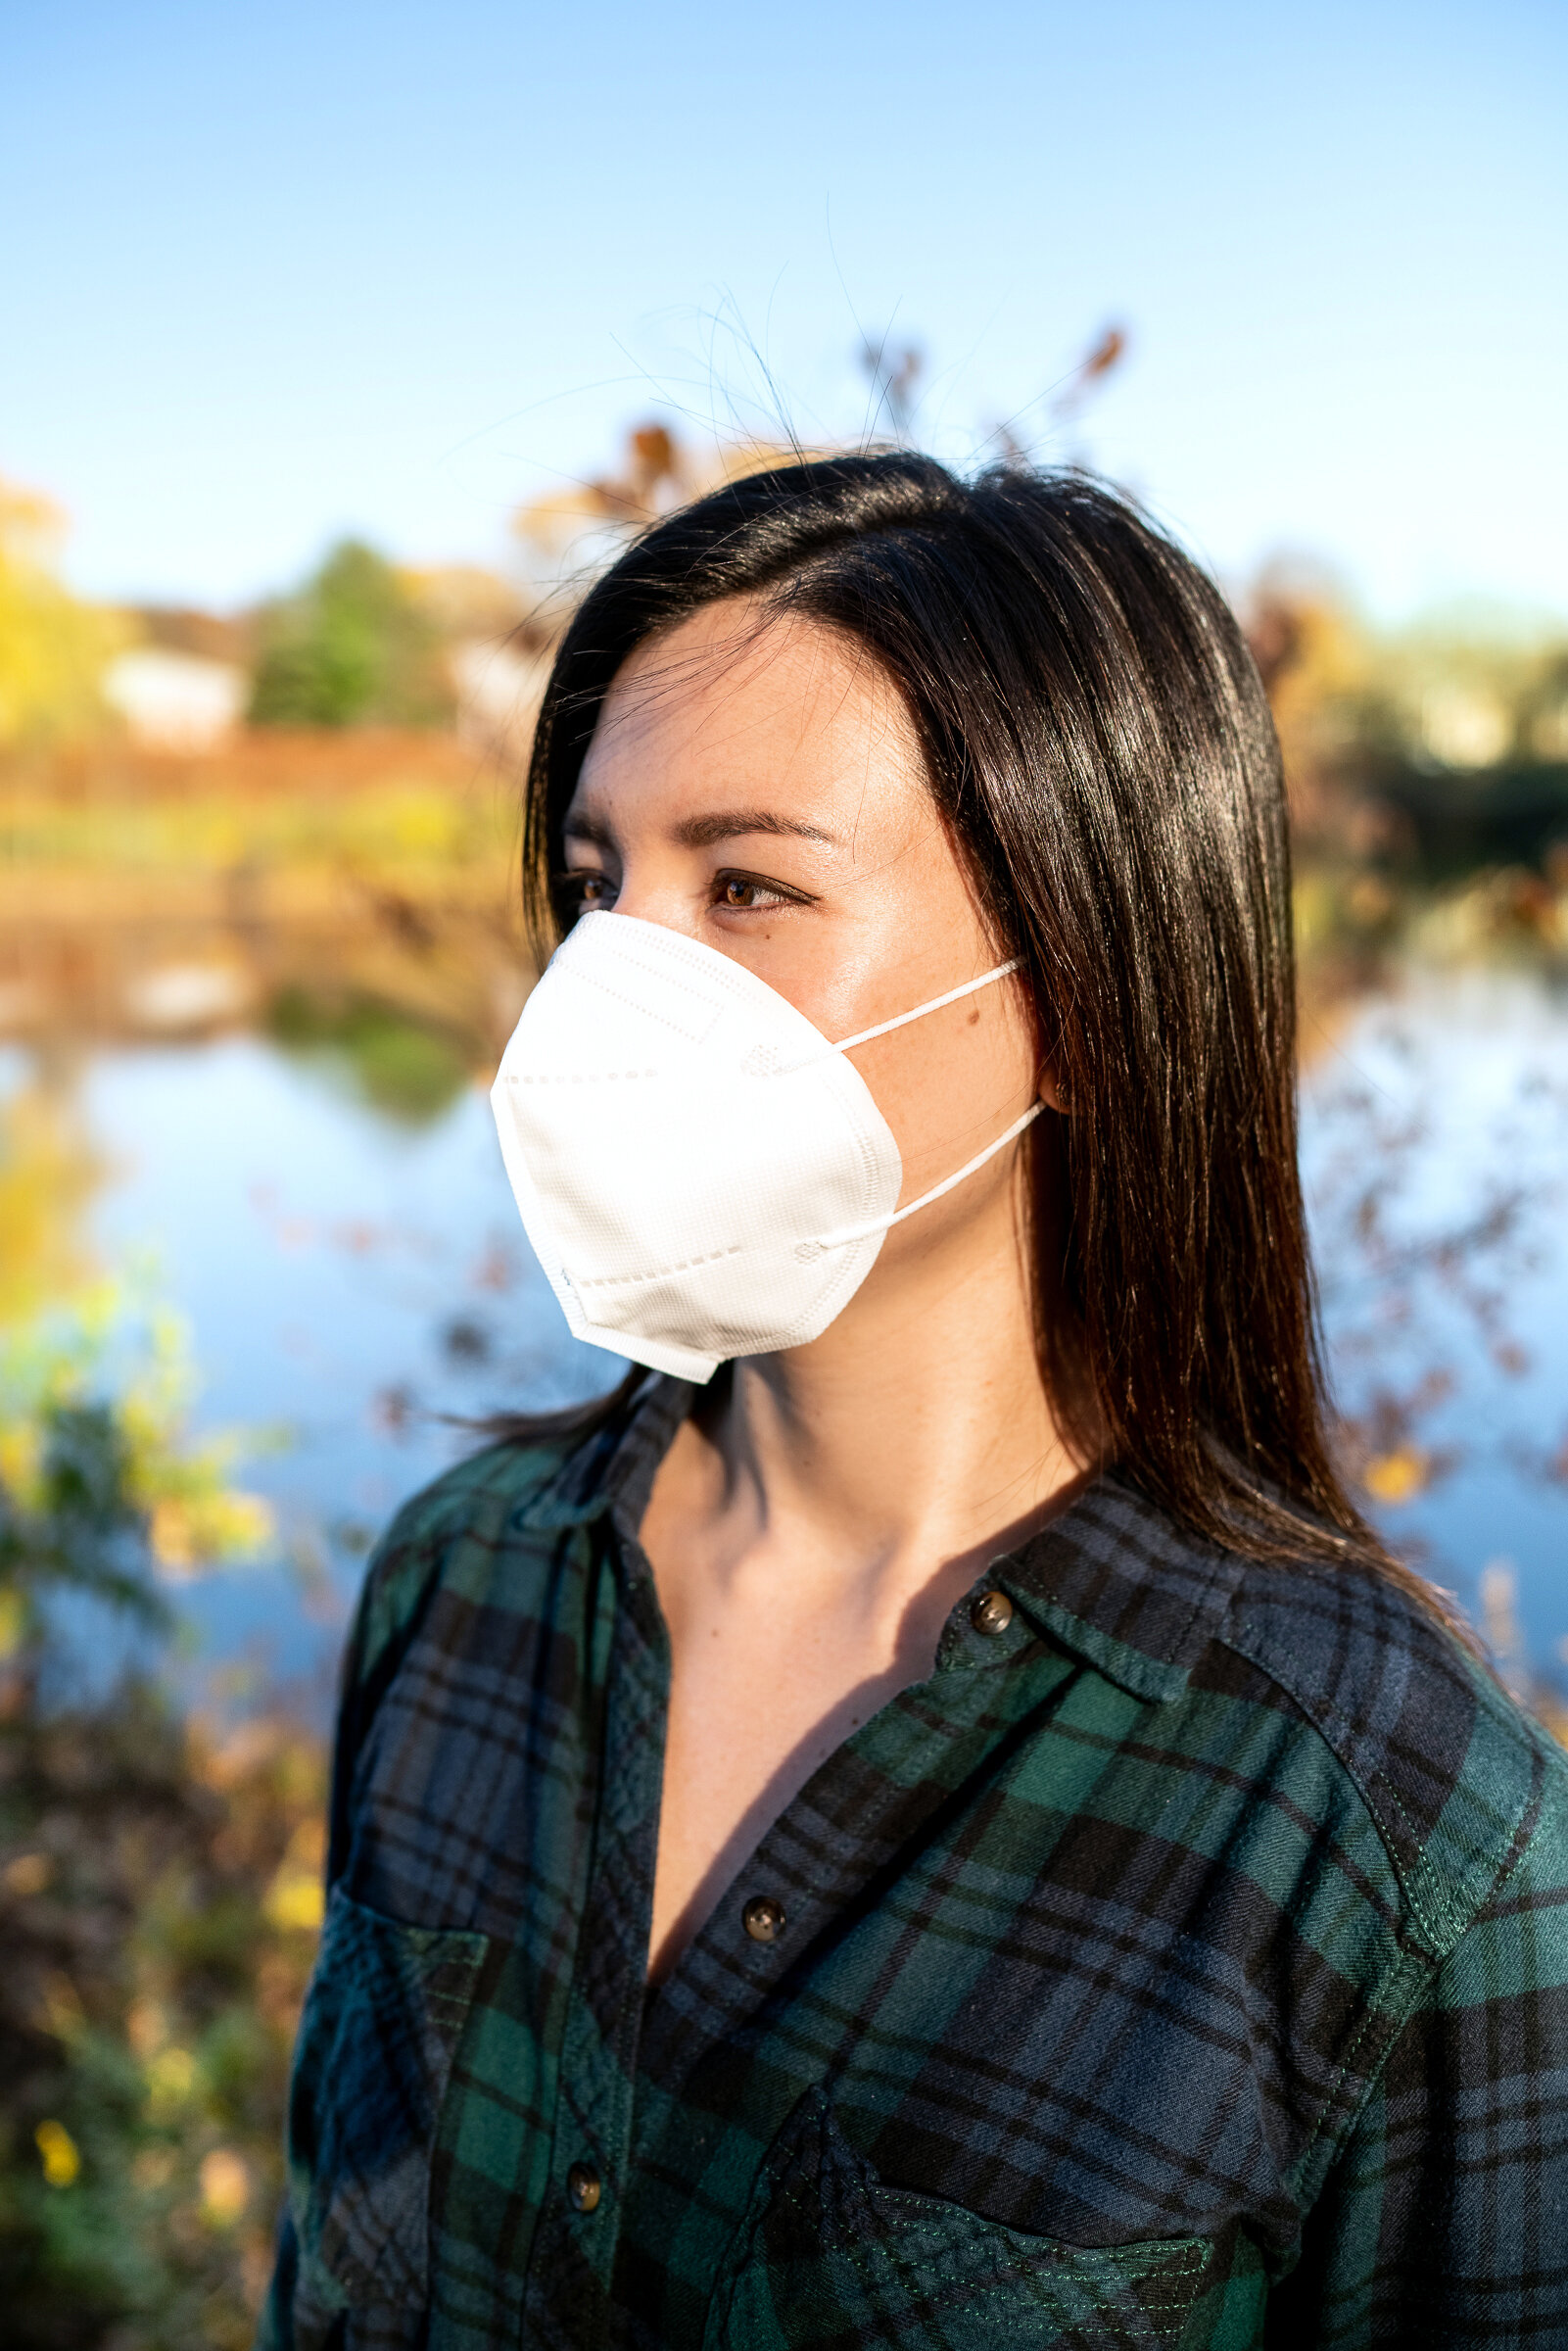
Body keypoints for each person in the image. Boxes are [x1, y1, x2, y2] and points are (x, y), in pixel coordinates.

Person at [260, 456, 1568, 2351]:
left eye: (750, 887)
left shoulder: (1388, 1830)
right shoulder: (462, 1585)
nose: (616, 984)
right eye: (593, 885)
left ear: (1083, 984)